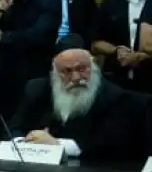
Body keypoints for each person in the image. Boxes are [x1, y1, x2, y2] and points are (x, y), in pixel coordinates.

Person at [9, 34, 147, 161]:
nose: (76, 78)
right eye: (67, 71)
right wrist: (26, 142)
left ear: (93, 66)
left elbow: (110, 145)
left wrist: (57, 145)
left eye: (82, 69)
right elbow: (13, 129)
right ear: (55, 72)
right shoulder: (37, 89)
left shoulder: (114, 96)